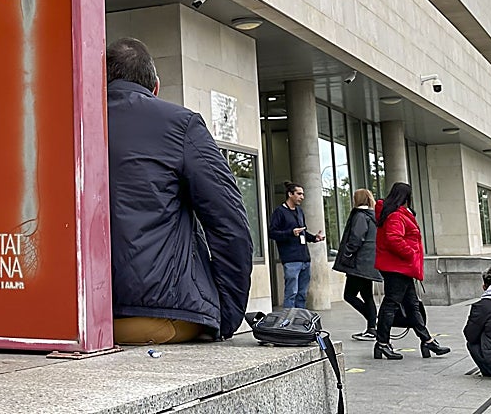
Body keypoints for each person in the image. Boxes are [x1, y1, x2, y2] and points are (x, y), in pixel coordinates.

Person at [106, 37, 253, 345]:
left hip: (78, 317)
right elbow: (229, 224)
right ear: (155, 88)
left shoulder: (64, 124)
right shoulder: (181, 125)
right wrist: (225, 314)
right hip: (159, 312)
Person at [372, 181, 449, 360]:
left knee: (412, 305)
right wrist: (411, 253)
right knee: (391, 304)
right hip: (398, 267)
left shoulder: (395, 213)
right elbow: (393, 239)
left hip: (400, 267)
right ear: (406, 197)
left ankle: (427, 340)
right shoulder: (396, 216)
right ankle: (382, 343)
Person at [333, 188, 382, 340]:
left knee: (349, 295)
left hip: (358, 263)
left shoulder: (360, 216)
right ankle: (372, 327)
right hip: (368, 263)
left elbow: (356, 238)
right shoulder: (373, 216)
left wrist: (347, 254)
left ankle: (373, 323)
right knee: (367, 296)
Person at [267, 181, 324, 309]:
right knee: (291, 293)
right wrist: (290, 233)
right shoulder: (279, 212)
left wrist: (315, 238)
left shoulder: (299, 211)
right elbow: (272, 233)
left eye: (303, 194)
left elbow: (302, 232)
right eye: (299, 194)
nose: (302, 197)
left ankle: (299, 321)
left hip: (305, 259)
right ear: (290, 194)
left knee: (302, 294)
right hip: (291, 260)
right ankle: (288, 322)